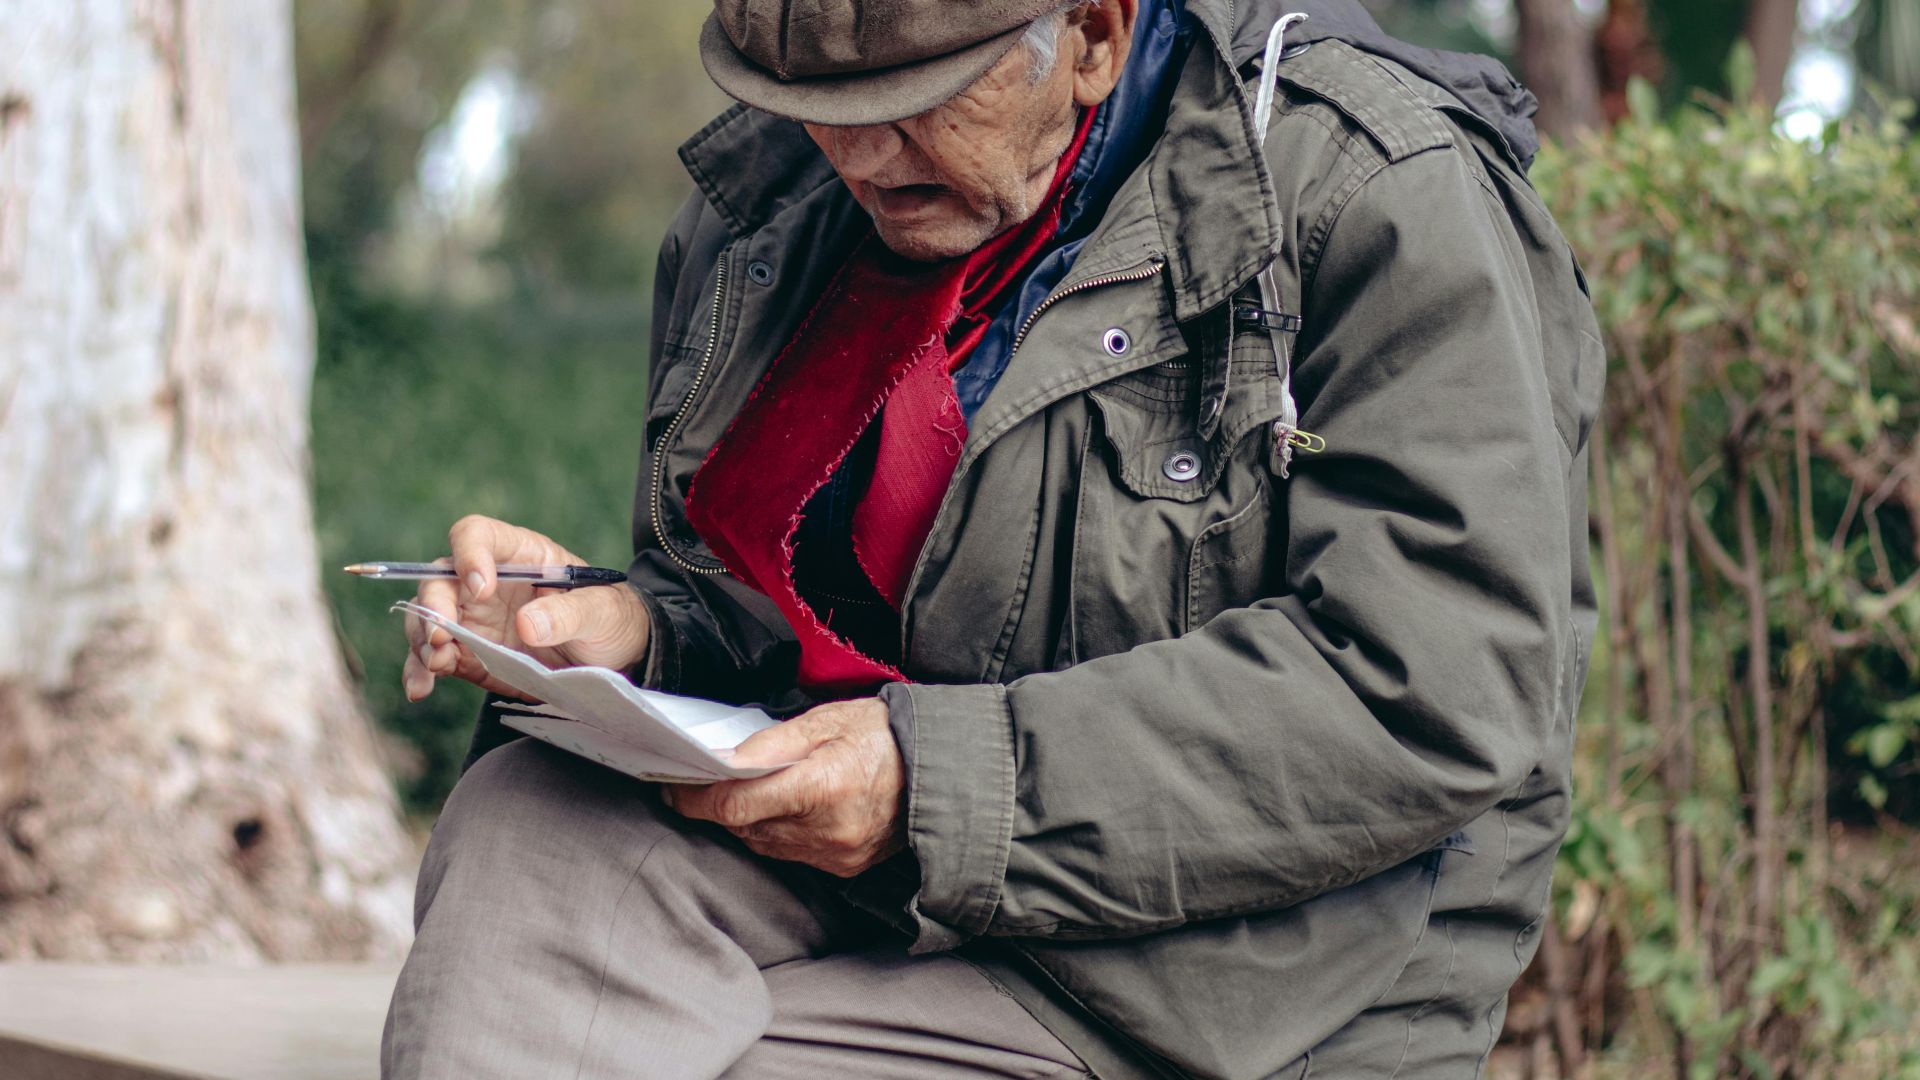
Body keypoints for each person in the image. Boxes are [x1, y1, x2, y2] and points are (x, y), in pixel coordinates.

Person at [381, 0, 1603, 1076]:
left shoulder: (1371, 189)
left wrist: (931, 787)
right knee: (525, 825)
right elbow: (777, 618)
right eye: (816, 103)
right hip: (859, 882)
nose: (854, 151)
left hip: (1208, 986)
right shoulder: (778, 201)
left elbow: (1430, 689)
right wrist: (631, 634)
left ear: (1091, 34)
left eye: (910, 99)